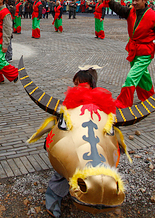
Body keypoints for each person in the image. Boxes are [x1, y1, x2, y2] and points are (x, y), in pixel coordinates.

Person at [103, 0, 155, 109]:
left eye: (137, 0)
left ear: (145, 1)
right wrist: (109, 0)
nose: (134, 3)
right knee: (143, 76)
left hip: (145, 52)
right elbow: (119, 8)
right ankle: (148, 97)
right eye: (133, 0)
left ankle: (122, 103)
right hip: (133, 49)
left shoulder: (154, 17)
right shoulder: (131, 11)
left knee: (132, 77)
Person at [45, 66, 101, 217]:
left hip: (93, 148)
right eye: (76, 84)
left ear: (92, 86)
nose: (78, 87)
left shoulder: (101, 105)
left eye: (83, 84)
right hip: (71, 147)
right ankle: (53, 200)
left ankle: (99, 197)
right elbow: (60, 127)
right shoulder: (68, 104)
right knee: (62, 173)